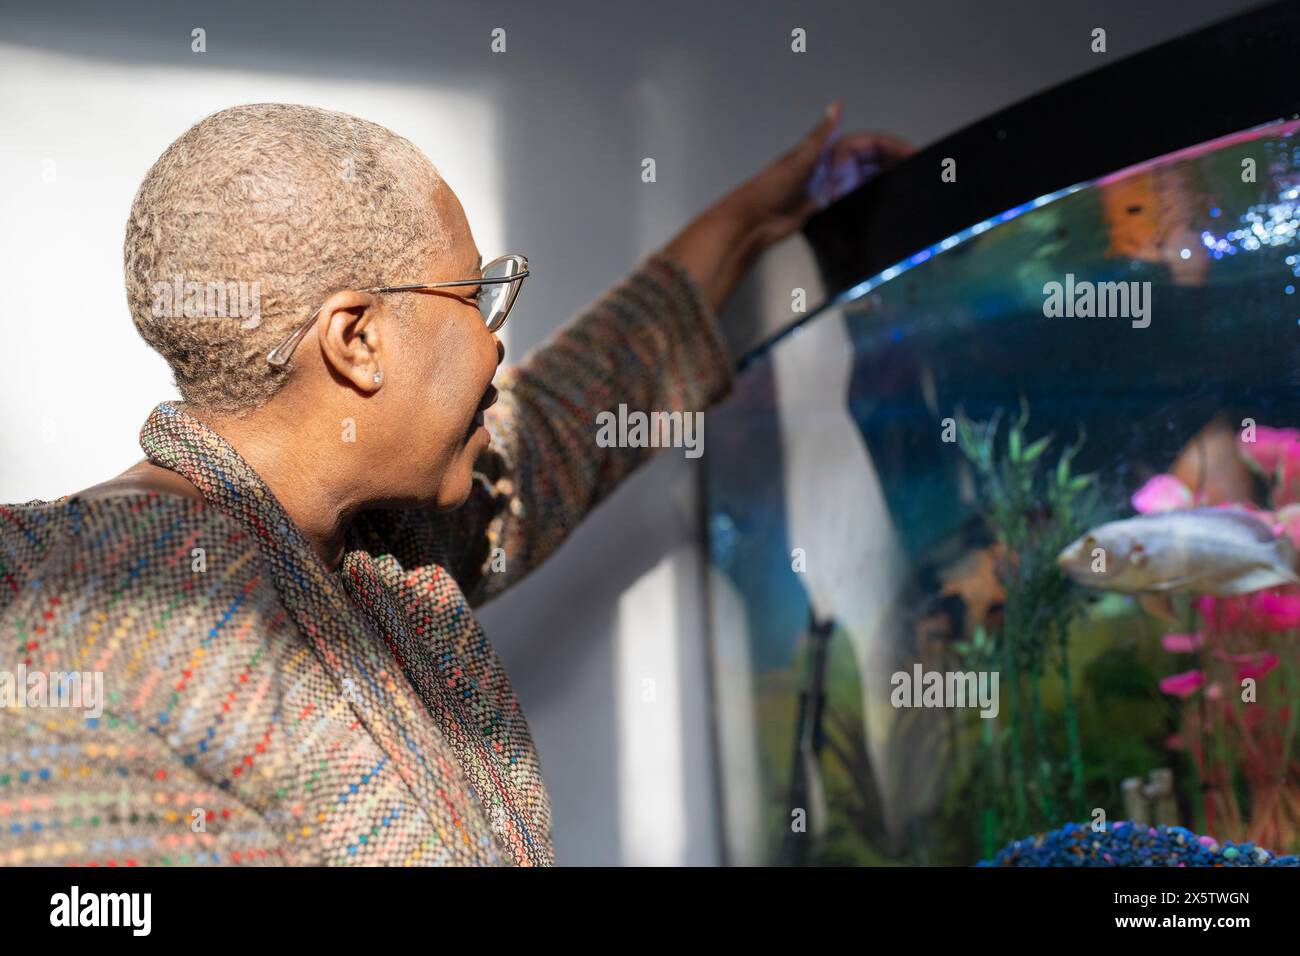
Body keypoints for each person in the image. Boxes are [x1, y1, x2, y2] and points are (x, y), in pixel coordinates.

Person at [0, 102, 908, 866]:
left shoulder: (370, 549)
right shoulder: (68, 614)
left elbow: (562, 420)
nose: (492, 342)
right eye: (475, 297)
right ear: (356, 339)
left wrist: (754, 220)